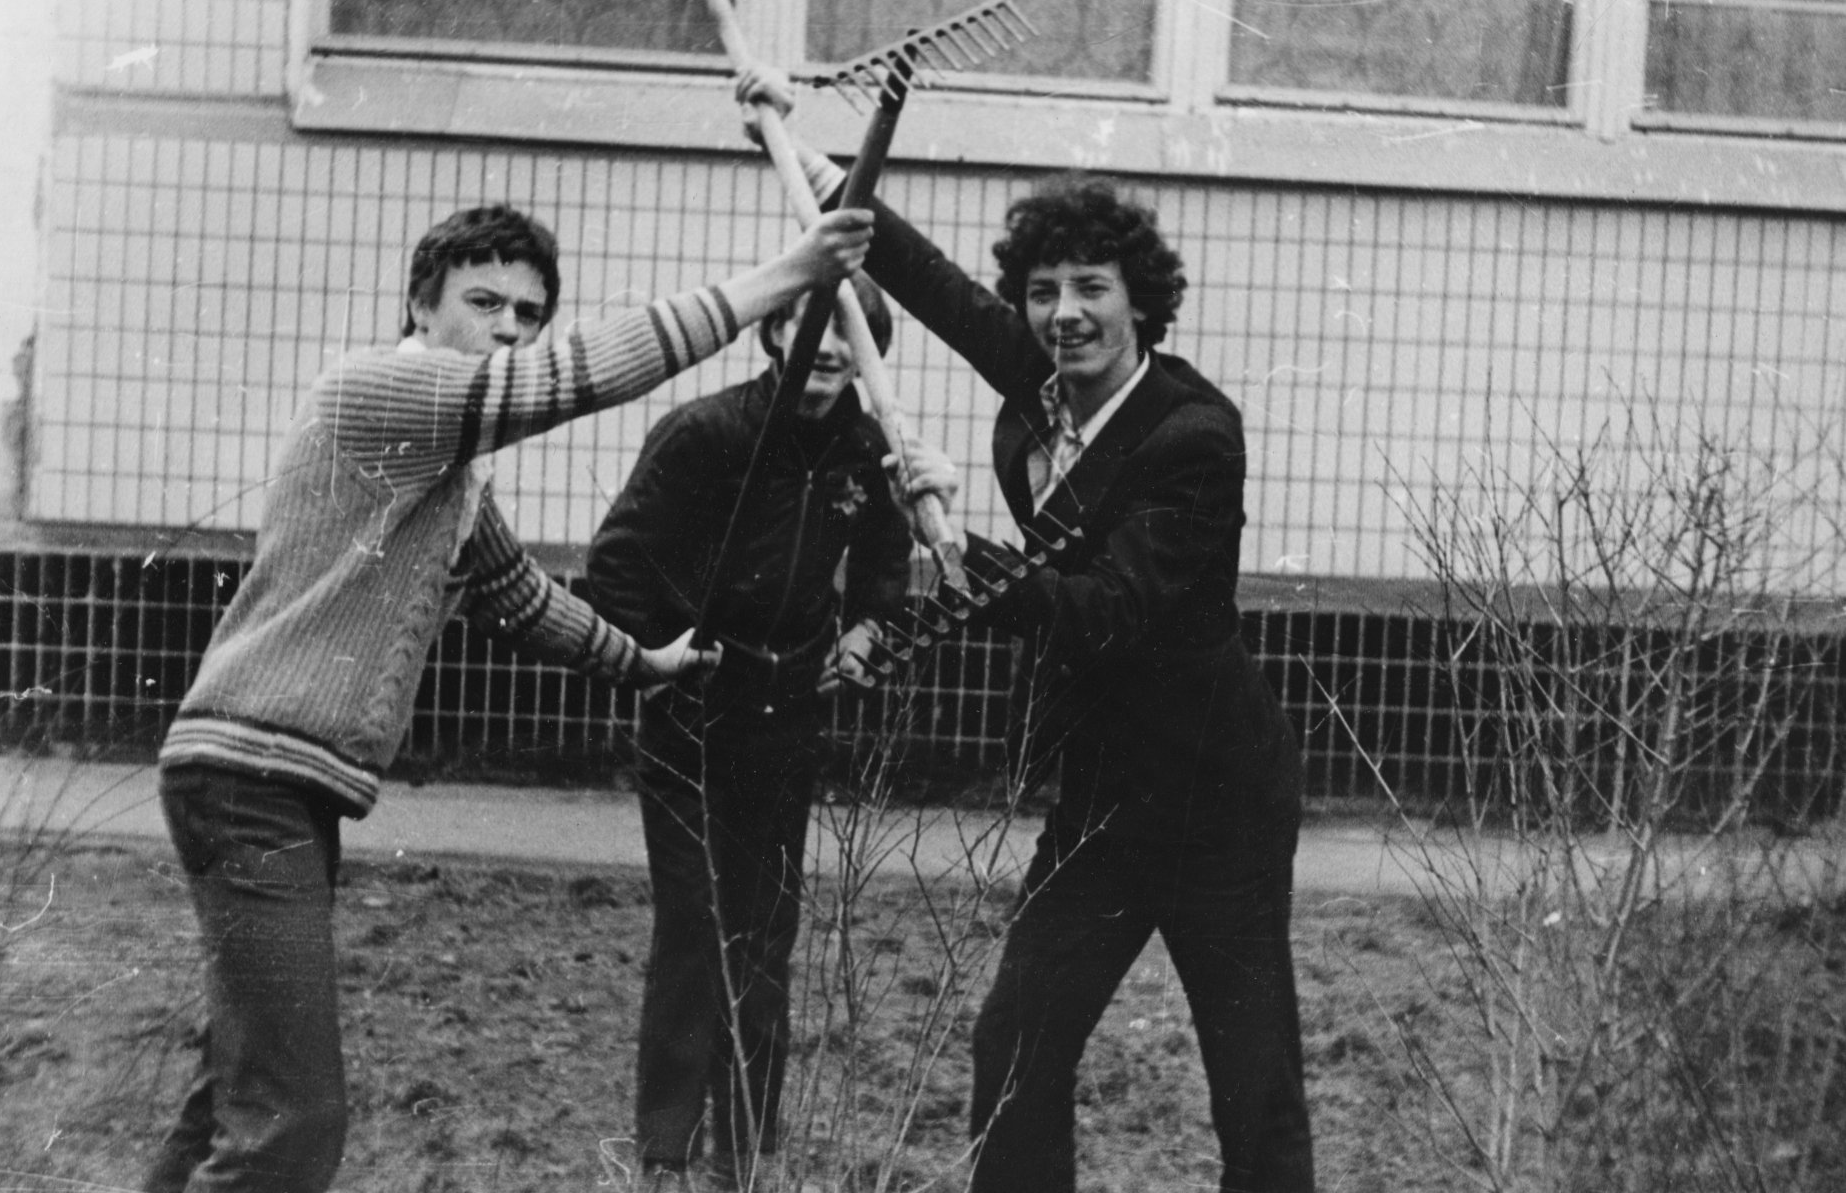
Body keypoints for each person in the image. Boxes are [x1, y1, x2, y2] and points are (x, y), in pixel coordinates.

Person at [145, 200, 873, 1193]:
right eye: (483, 303)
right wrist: (786, 276)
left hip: (274, 783)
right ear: (420, 305)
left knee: (232, 1094)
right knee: (292, 1123)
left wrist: (645, 662)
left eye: (528, 314)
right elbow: (575, 377)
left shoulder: (450, 470)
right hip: (246, 779)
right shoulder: (378, 389)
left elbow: (519, 597)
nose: (509, 329)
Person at [737, 73, 1314, 1192]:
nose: (1064, 314)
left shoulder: (1193, 436)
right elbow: (935, 286)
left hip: (1218, 803)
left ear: (1141, 302)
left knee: (1252, 1080)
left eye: (1091, 288)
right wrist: (805, 153)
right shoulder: (1046, 388)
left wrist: (957, 553)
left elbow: (1106, 611)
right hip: (1103, 795)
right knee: (1015, 1046)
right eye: (1044, 292)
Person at [585, 274, 916, 1191]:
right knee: (695, 925)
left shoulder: (866, 450)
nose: (831, 349)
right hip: (695, 718)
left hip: (788, 719)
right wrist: (669, 653)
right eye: (813, 325)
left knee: (766, 933)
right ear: (773, 332)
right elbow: (617, 562)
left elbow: (886, 563)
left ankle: (745, 1151)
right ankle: (665, 1150)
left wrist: (867, 630)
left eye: (853, 332)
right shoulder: (707, 434)